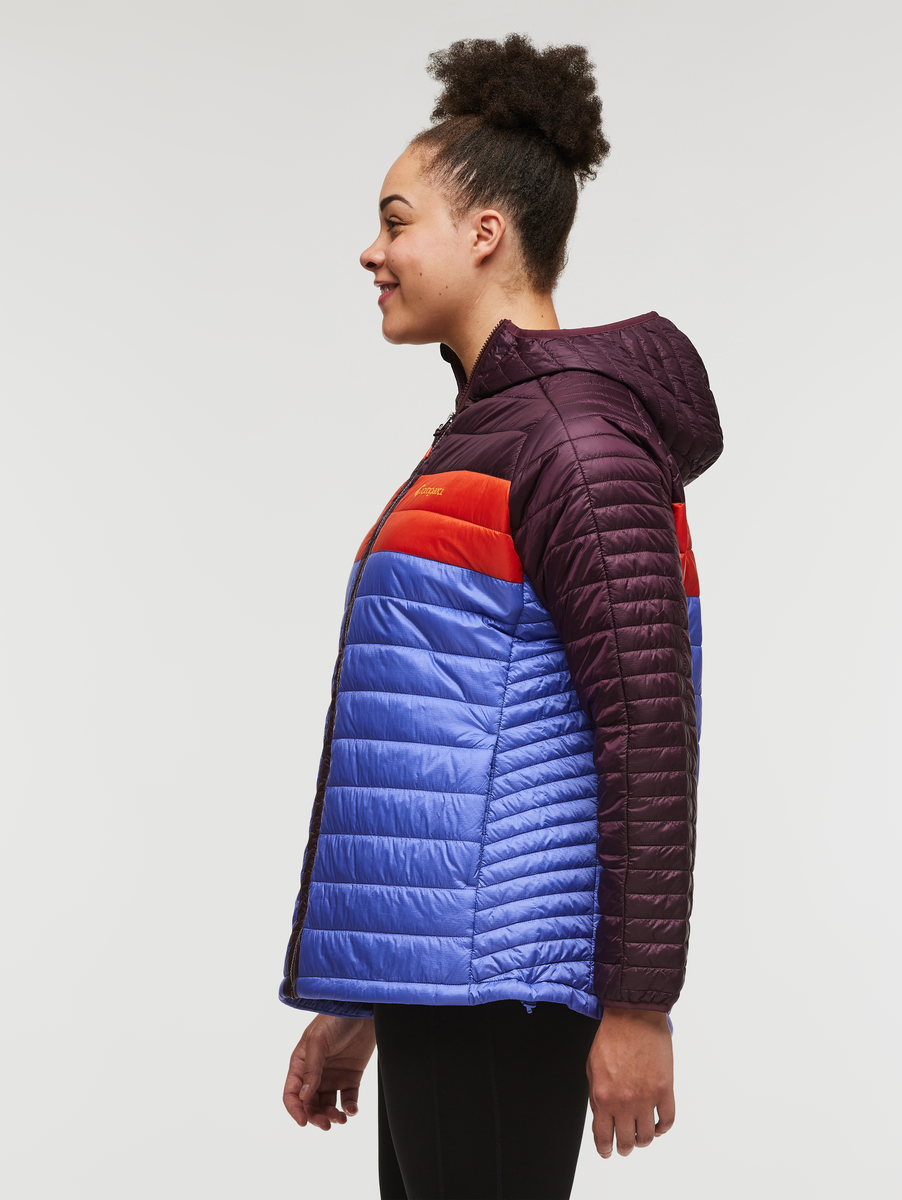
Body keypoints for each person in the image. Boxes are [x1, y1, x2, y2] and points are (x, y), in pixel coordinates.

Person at [279, 34, 723, 1200]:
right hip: (447, 984)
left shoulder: (572, 438)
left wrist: (639, 1005)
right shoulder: (495, 433)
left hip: (504, 988)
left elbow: (648, 726)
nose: (371, 251)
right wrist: (365, 1001)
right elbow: (445, 735)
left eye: (396, 221)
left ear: (485, 233)